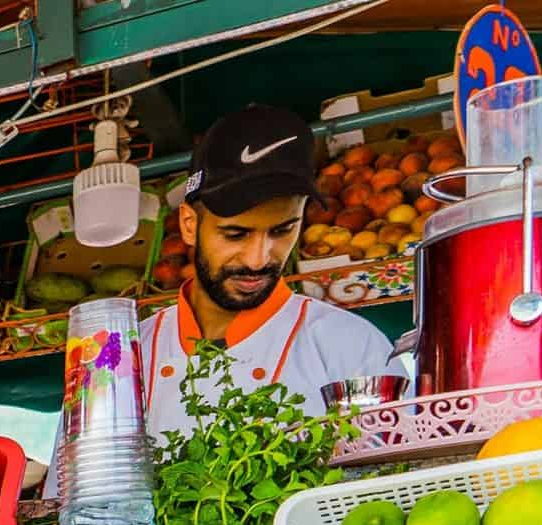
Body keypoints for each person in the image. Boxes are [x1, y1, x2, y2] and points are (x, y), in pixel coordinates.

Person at [142, 105, 394, 439]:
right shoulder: (126, 361)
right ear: (190, 225)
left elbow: (391, 480)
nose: (259, 259)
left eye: (281, 231)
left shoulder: (351, 347)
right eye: (236, 234)